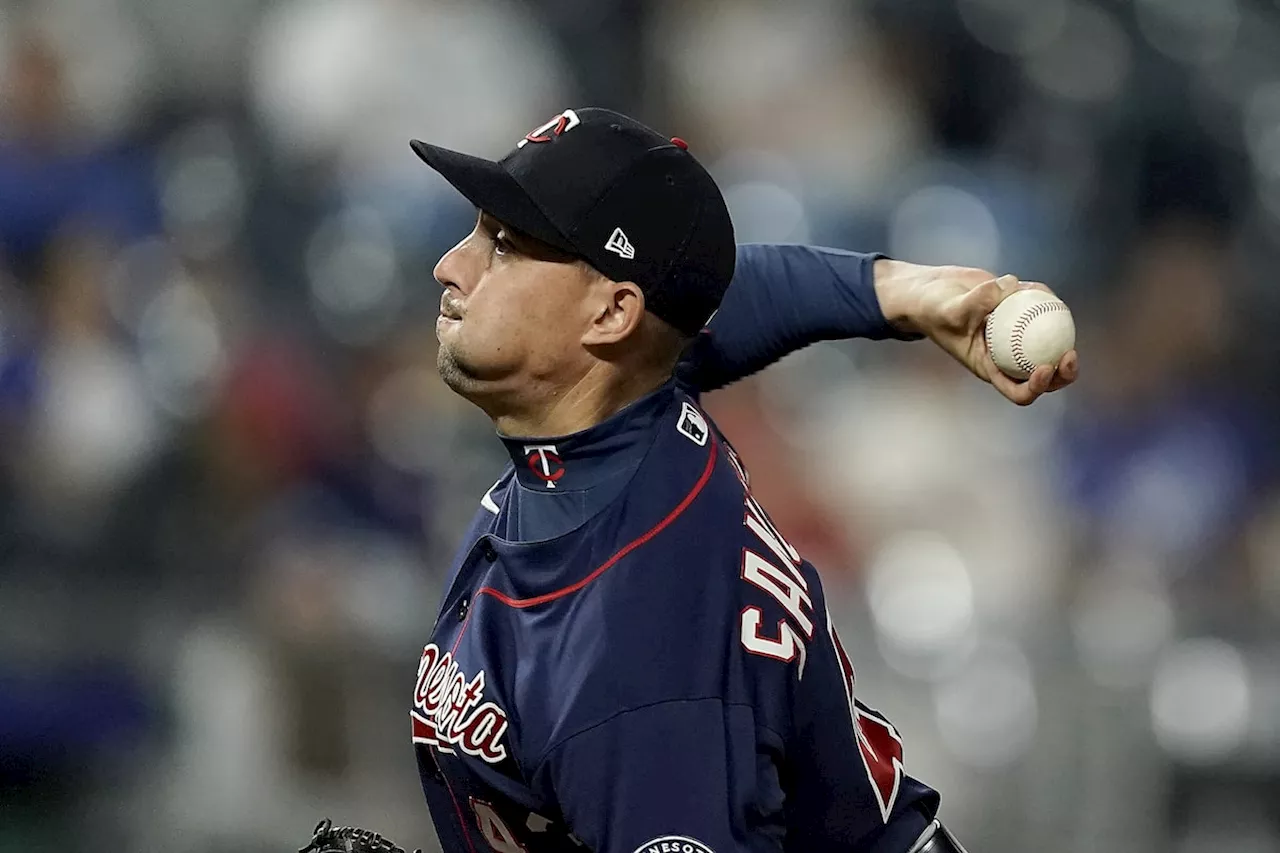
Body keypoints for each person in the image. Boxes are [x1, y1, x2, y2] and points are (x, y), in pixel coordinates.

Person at [405, 107, 1077, 853]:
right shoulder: (623, 403)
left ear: (609, 314)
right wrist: (907, 293)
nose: (451, 265)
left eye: (504, 245)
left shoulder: (641, 661)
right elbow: (721, 300)